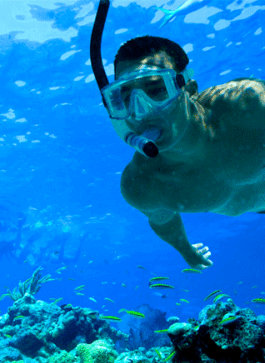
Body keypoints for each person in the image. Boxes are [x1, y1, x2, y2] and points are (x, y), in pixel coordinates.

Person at [90, 1, 265, 270]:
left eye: (156, 89)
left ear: (189, 89)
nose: (141, 112)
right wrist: (187, 252)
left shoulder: (249, 105)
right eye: (124, 99)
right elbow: (163, 220)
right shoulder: (142, 184)